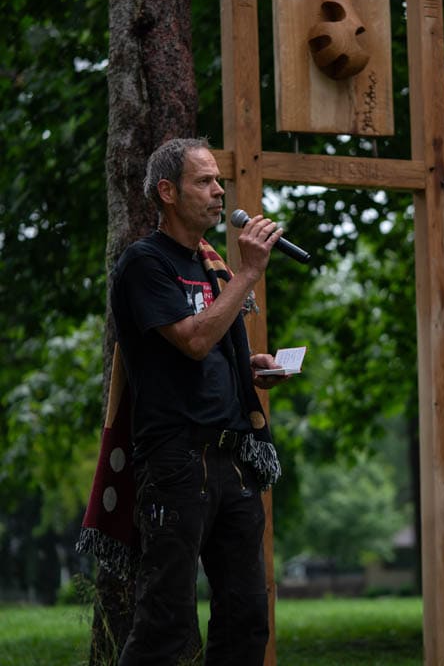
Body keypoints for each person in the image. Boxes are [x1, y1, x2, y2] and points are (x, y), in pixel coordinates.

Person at [114, 136, 288, 666]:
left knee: (246, 617)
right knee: (166, 623)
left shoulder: (211, 267)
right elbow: (191, 339)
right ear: (168, 191)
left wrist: (246, 366)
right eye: (205, 181)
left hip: (232, 458)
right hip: (175, 461)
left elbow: (210, 347)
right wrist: (252, 271)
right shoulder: (145, 264)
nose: (219, 192)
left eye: (218, 181)